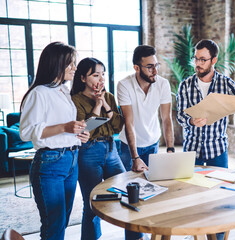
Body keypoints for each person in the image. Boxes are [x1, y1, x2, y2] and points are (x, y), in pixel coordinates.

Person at [19, 41, 90, 240]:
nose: (75, 68)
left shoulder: (63, 91)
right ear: (57, 64)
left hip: (71, 159)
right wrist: (65, 127)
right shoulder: (38, 93)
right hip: (50, 163)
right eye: (71, 64)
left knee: (62, 220)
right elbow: (25, 132)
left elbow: (63, 126)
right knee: (54, 223)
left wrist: (77, 134)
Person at [70, 57, 127, 240]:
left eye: (103, 74)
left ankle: (136, 237)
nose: (101, 79)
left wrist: (106, 104)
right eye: (95, 75)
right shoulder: (75, 99)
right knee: (92, 203)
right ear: (82, 78)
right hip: (88, 152)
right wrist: (97, 105)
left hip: (112, 149)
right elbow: (84, 129)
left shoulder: (108, 96)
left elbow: (118, 126)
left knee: (127, 192)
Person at [176, 39, 235, 169]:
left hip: (217, 150)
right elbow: (180, 115)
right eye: (196, 59)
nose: (198, 63)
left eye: (203, 60)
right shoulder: (185, 85)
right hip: (191, 149)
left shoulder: (226, 83)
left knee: (219, 187)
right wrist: (191, 121)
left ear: (214, 60)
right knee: (191, 187)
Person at [117, 45, 175, 174]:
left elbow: (166, 119)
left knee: (151, 184)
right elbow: (129, 122)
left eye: (156, 65)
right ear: (136, 68)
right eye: (150, 67)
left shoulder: (163, 84)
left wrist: (170, 149)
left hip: (152, 143)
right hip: (129, 146)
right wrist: (135, 157)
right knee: (129, 186)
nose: (155, 71)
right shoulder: (124, 85)